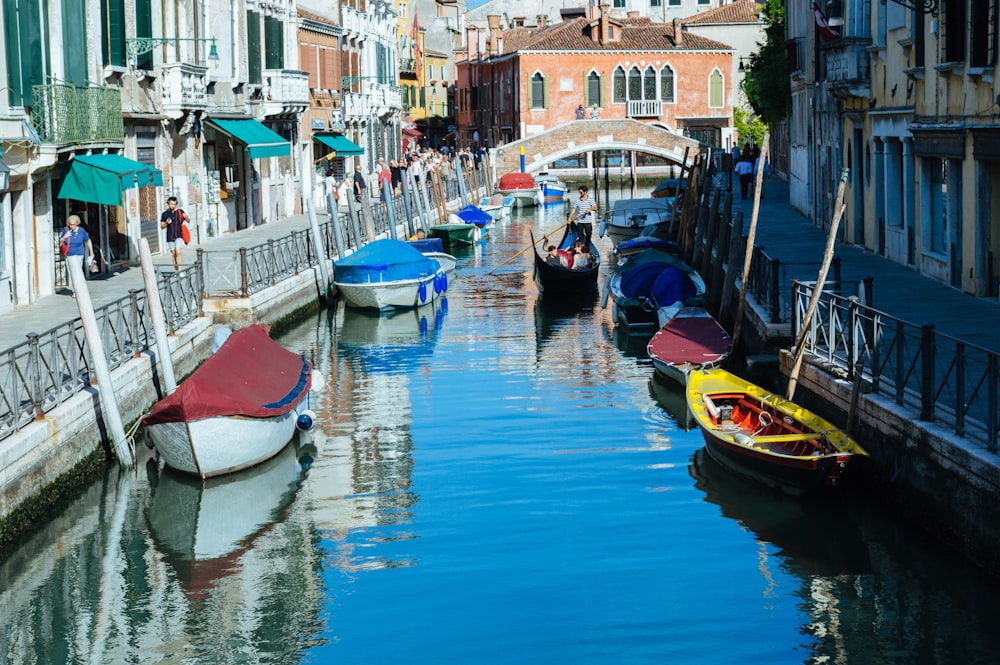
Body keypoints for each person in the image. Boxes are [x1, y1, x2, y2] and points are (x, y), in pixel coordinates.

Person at [59, 214, 95, 297]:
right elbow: (61, 241)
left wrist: (91, 251)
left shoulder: (81, 231)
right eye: (70, 224)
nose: (72, 226)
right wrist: (65, 236)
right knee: (71, 273)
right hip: (68, 254)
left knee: (78, 272)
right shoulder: (66, 230)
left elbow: (88, 240)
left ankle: (78, 290)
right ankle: (74, 290)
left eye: (73, 224)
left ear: (77, 224)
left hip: (79, 254)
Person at [160, 196, 189, 270]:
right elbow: (162, 226)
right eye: (171, 204)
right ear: (168, 203)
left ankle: (179, 270)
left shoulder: (180, 212)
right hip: (170, 236)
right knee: (173, 254)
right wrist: (166, 223)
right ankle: (176, 270)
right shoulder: (165, 214)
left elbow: (188, 221)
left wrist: (186, 218)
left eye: (174, 204)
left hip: (179, 235)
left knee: (178, 252)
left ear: (176, 204)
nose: (172, 205)